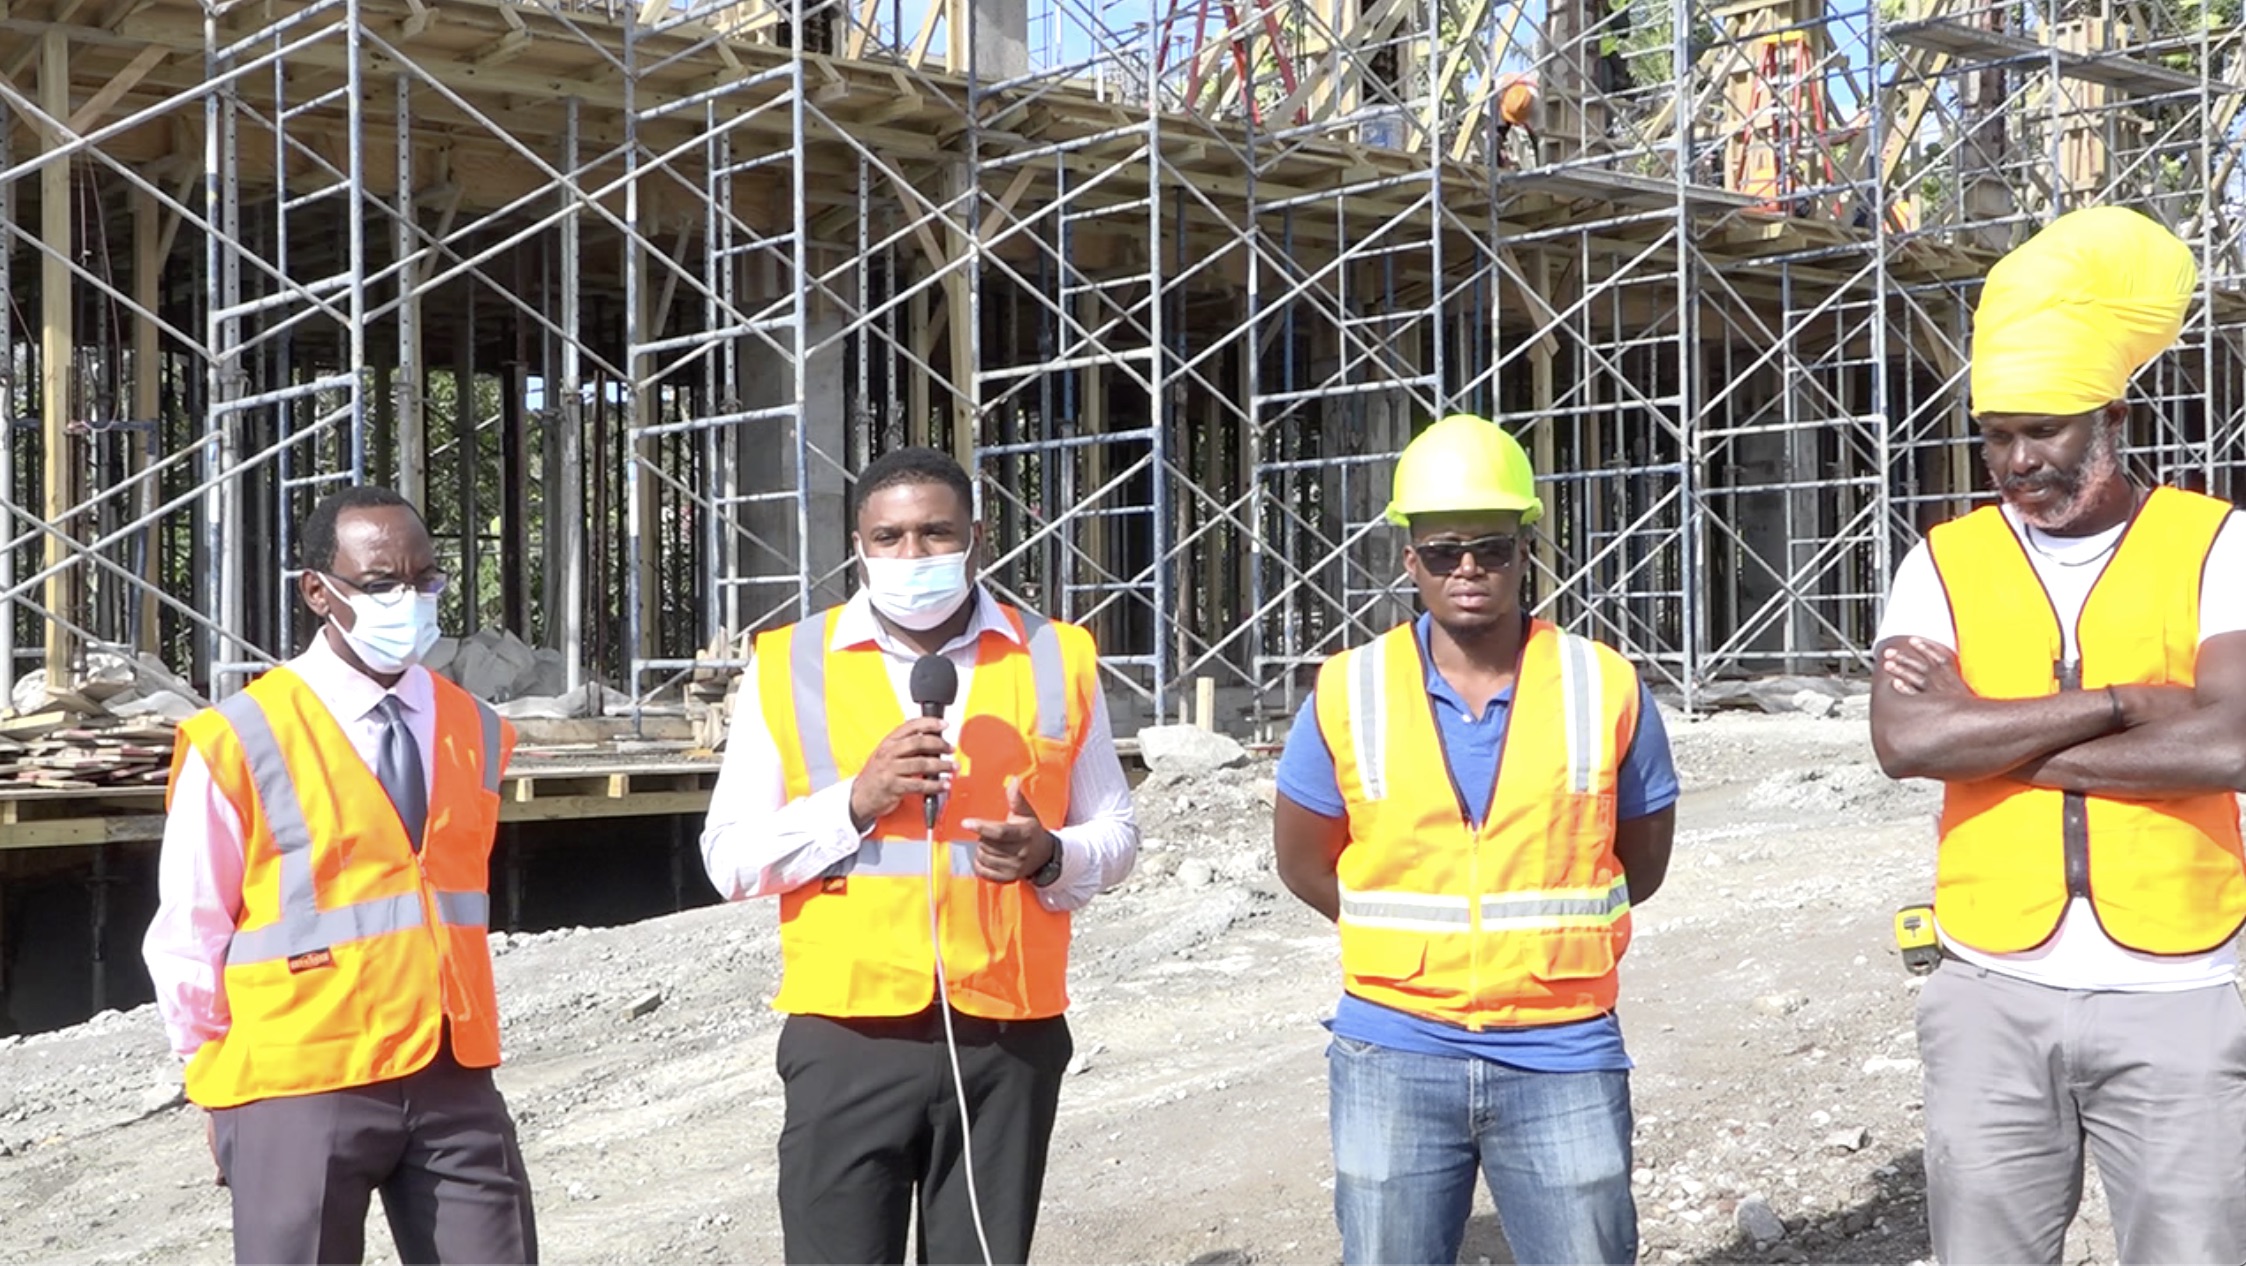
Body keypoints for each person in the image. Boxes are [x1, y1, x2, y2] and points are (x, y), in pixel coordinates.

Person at [1871, 206, 2246, 1264]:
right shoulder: (1941, 560)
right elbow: (1903, 742)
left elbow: (2231, 746)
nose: (2016, 460)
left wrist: (1989, 736)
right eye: (1995, 435)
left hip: (2173, 992)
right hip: (1990, 987)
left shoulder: (2215, 544)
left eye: (2043, 431)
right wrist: (2123, 701)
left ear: (2108, 417)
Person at [700, 445, 1139, 1265]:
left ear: (976, 536)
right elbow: (728, 859)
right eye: (889, 537)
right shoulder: (789, 662)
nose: (912, 556)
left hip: (1007, 1035)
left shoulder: (1056, 655)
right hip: (848, 1034)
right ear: (858, 545)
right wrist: (854, 804)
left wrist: (1051, 854)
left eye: (934, 534)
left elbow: (1116, 834)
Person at [1271, 414, 1679, 1266]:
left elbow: (1639, 865)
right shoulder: (1349, 688)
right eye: (1445, 548)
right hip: (1394, 1042)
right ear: (1409, 557)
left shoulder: (1603, 684)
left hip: (1563, 1042)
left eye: (1492, 548)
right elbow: (1304, 862)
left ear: (1525, 550)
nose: (1469, 568)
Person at [143, 485, 538, 1265]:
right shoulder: (241, 736)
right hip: (298, 1079)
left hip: (450, 1071)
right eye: (383, 583)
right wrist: (216, 1084)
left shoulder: (475, 728)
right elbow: (190, 928)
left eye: (426, 581)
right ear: (319, 592)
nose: (412, 601)